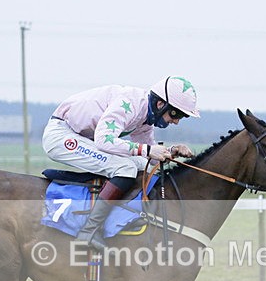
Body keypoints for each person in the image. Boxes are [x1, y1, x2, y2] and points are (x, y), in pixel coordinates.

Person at [42, 76, 199, 250]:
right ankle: (88, 232)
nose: (176, 121)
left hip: (82, 137)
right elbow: (104, 140)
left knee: (140, 164)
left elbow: (149, 156)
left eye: (182, 117)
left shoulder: (146, 119)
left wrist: (171, 151)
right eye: (175, 114)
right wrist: (147, 151)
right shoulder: (130, 103)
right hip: (61, 135)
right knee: (126, 168)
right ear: (160, 104)